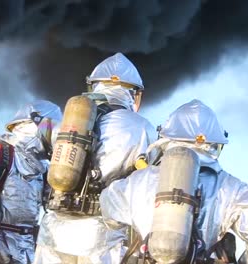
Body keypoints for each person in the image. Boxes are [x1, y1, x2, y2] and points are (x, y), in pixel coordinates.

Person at [100, 99, 248, 264]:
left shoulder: (138, 181)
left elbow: (108, 207)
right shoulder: (230, 187)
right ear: (214, 145)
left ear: (167, 138)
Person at [34, 52, 157, 263]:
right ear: (134, 93)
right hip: (102, 234)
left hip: (53, 229)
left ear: (94, 85)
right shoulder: (142, 127)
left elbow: (38, 148)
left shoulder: (69, 121)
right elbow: (149, 180)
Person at [0, 100, 62, 264]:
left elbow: (54, 208)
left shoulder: (44, 168)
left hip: (28, 250)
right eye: (54, 128)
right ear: (38, 124)